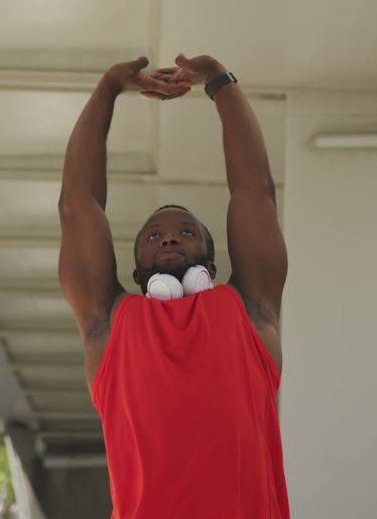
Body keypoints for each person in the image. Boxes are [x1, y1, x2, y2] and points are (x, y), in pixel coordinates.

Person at [58, 53, 289, 518]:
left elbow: (254, 189)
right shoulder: (106, 324)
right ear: (139, 271)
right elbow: (78, 206)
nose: (167, 235)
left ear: (211, 258)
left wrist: (220, 82)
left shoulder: (251, 309)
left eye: (186, 232)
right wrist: (107, 88)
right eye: (153, 234)